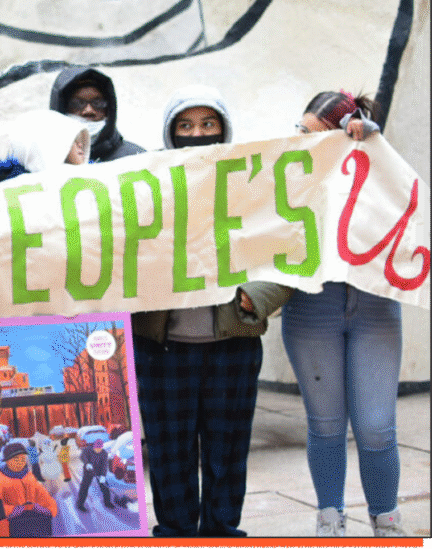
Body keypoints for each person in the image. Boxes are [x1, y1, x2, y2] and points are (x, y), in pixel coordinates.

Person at [131, 84, 293, 537]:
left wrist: (254, 298)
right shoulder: (147, 189)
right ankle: (176, 534)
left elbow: (288, 249)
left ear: (224, 130)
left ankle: (223, 534)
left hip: (232, 348)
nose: (196, 133)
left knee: (227, 451)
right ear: (170, 133)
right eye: (185, 125)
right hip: (162, 350)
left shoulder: (251, 188)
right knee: (169, 452)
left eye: (207, 124)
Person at [282, 90, 406, 537]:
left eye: (317, 136)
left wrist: (376, 148)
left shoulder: (377, 166)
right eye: (300, 132)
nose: (303, 142)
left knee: (376, 427)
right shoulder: (289, 173)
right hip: (312, 306)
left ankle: (386, 519)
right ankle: (329, 518)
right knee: (327, 423)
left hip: (374, 305)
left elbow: (404, 206)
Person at [0, 109, 90, 198]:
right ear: (50, 144)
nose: (80, 145)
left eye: (81, 140)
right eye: (73, 140)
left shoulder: (98, 181)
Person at [48, 65, 145, 162]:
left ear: (109, 110)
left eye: (98, 103)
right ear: (61, 109)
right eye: (78, 103)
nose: (89, 111)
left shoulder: (136, 159)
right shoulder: (43, 162)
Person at [0, 442, 58, 537]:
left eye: (23, 459)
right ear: (7, 461)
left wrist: (47, 509)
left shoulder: (29, 476)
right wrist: (11, 510)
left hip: (33, 529)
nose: (20, 462)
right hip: (8, 533)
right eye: (16, 459)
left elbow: (43, 496)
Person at [75, 438, 111, 511]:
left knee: (105, 486)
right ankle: (80, 504)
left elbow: (104, 465)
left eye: (99, 448)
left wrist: (103, 476)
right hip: (88, 471)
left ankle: (107, 502)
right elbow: (82, 456)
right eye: (96, 448)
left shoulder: (104, 453)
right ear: (94, 447)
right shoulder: (87, 450)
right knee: (84, 487)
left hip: (99, 471)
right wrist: (87, 463)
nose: (98, 450)